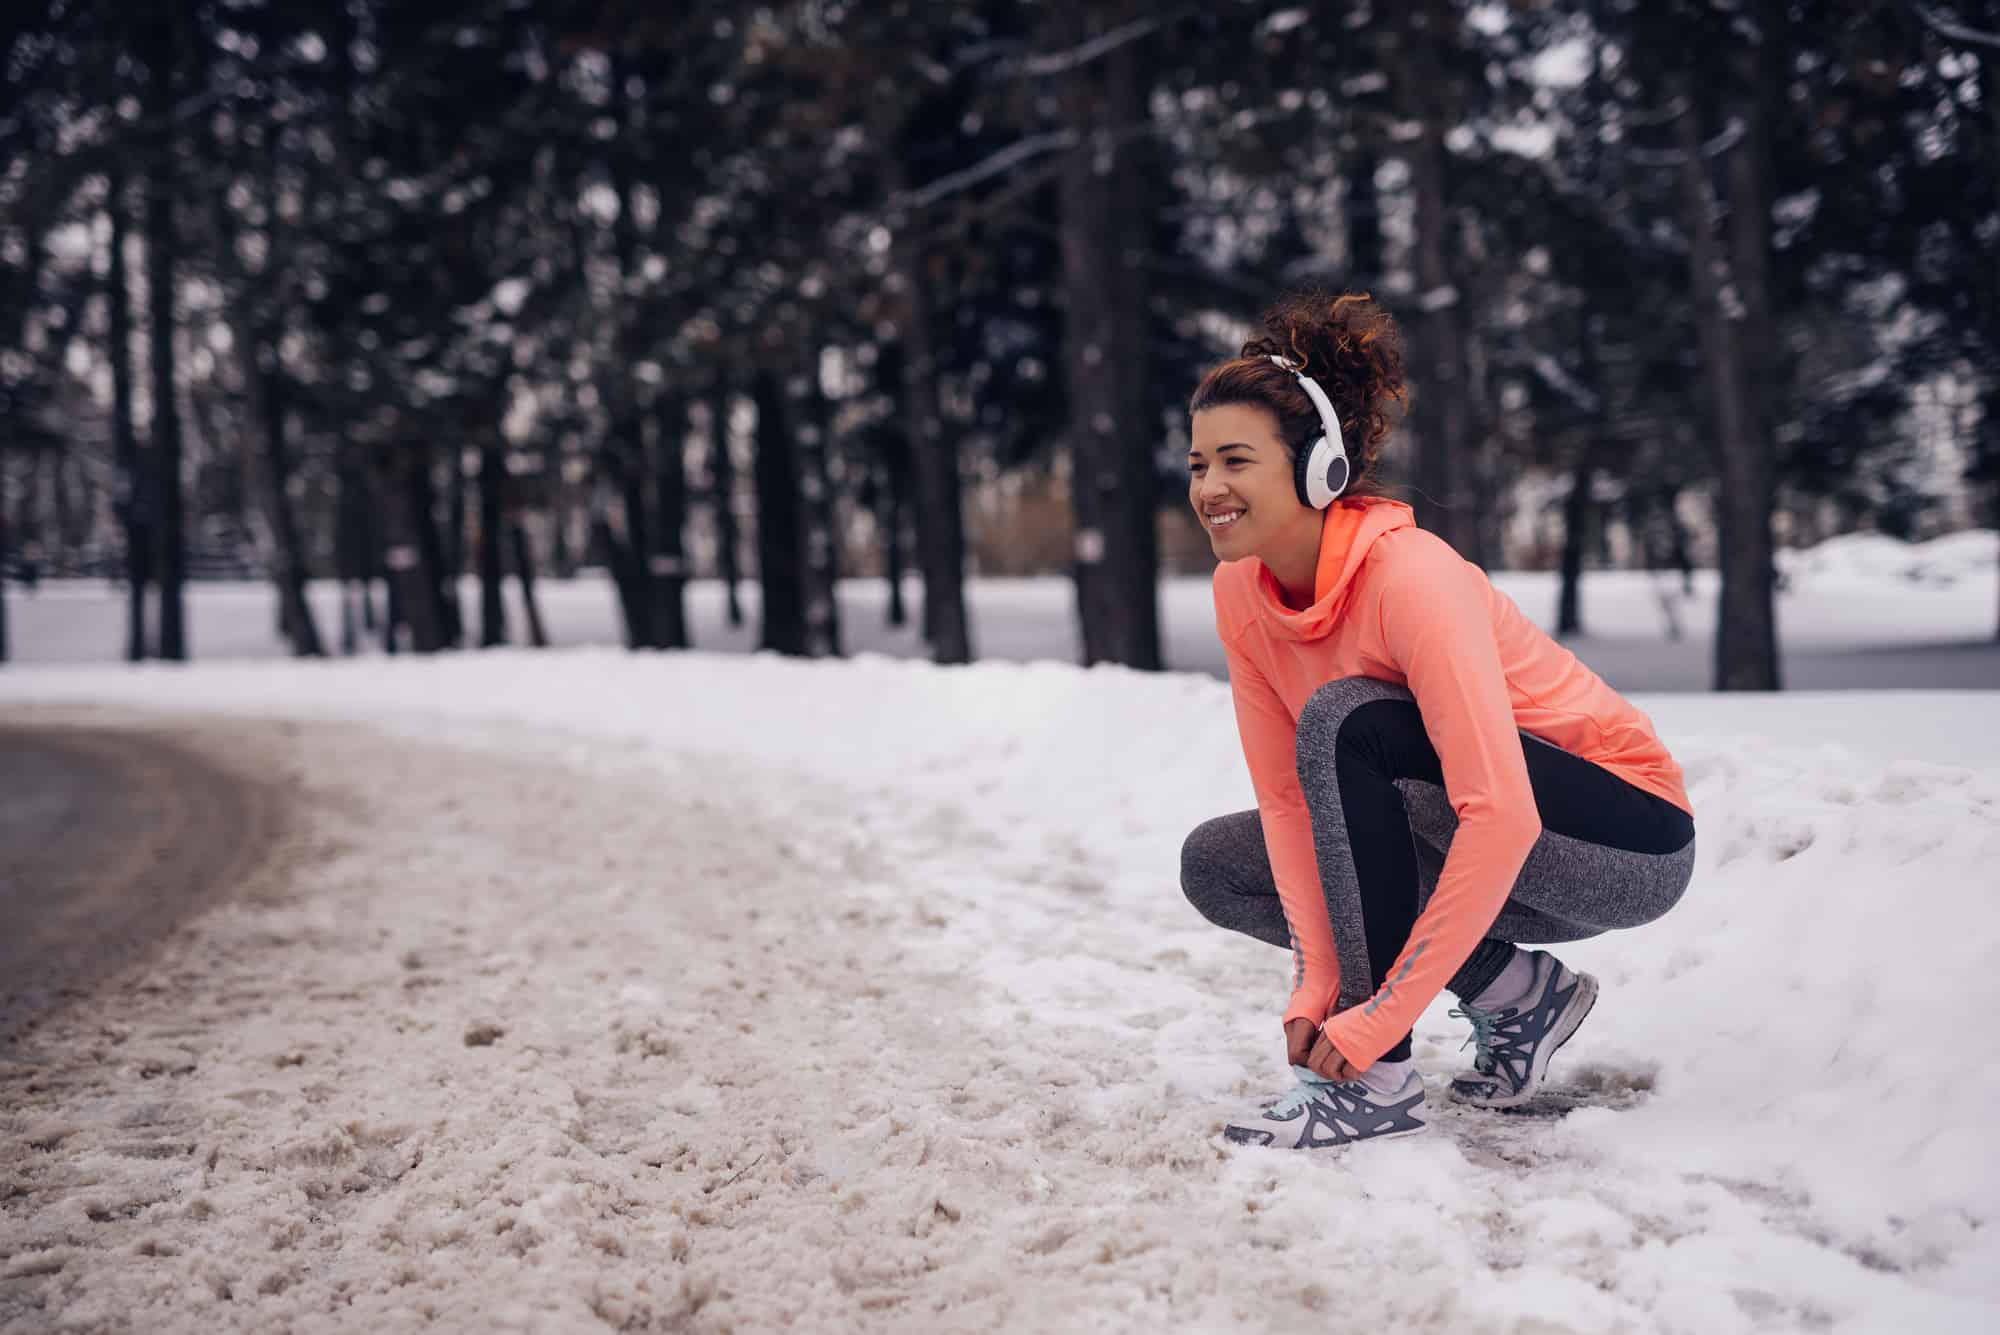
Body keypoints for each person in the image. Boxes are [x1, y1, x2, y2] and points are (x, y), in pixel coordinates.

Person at [1180, 293, 1696, 1150]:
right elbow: (1288, 808)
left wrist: (1375, 1023)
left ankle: (1379, 1089)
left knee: (1349, 721)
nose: (1211, 487)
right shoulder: (1242, 593)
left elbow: (1503, 813)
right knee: (1220, 863)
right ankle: (1517, 993)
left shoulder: (1411, 577)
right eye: (1198, 465)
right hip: (1473, 832)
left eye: (1236, 460)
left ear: (1320, 471)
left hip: (1625, 839)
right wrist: (1316, 986)